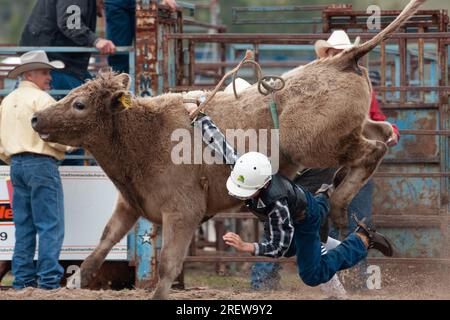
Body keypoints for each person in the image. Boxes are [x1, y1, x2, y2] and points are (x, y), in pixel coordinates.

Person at [251, 29, 401, 291]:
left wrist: (390, 131)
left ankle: (353, 281)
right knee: (304, 221)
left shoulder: (358, 87)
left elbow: (375, 118)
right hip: (319, 165)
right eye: (335, 52)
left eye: (343, 52)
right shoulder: (311, 82)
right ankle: (272, 282)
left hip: (349, 164)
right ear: (327, 55)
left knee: (348, 222)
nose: (340, 56)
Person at [184, 103, 394, 289]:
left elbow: (278, 245)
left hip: (304, 218)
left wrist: (247, 246)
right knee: (304, 242)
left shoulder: (277, 205)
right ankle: (325, 193)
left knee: (312, 274)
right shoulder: (245, 168)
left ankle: (362, 239)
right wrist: (199, 117)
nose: (243, 195)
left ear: (263, 184)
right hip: (301, 203)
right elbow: (221, 145)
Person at [0, 51, 74, 289]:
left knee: (24, 226)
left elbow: (1, 142)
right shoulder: (43, 101)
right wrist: (71, 145)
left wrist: (13, 157)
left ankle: (22, 281)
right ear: (30, 74)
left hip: (16, 166)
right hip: (41, 163)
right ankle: (49, 281)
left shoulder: (7, 101)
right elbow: (52, 134)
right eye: (45, 72)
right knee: (50, 224)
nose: (49, 77)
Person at [19, 0, 116, 165]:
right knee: (74, 118)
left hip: (58, 60)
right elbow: (70, 22)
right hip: (59, 62)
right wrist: (95, 40)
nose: (103, 8)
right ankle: (74, 165)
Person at [103, 0, 178, 73]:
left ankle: (147, 83)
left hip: (146, 3)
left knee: (148, 52)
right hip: (117, 3)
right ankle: (120, 83)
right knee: (118, 52)